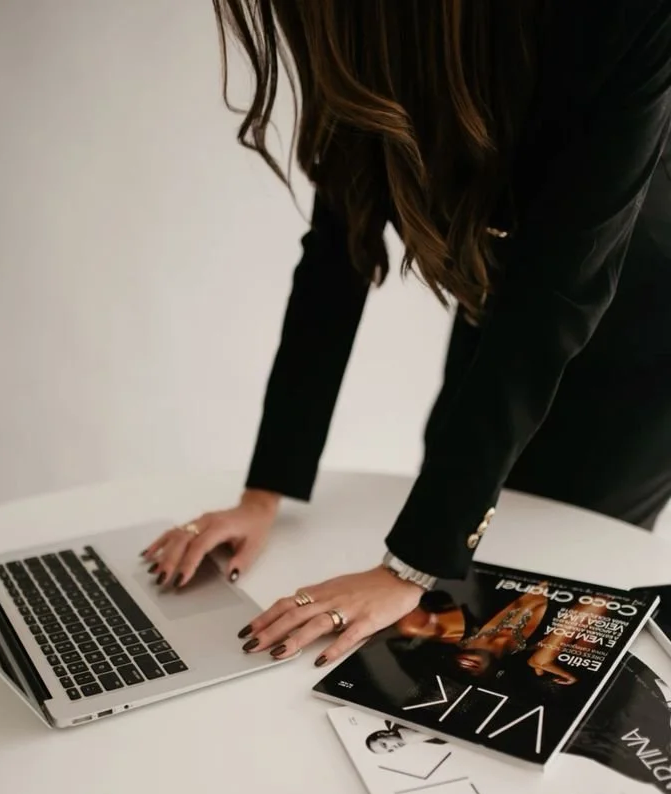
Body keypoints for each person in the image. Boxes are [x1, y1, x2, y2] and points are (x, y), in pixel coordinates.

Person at [144, 0, 671, 670]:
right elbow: (336, 258)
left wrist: (408, 566)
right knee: (454, 533)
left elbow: (556, 297)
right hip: (502, 298)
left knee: (547, 599)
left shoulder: (627, 14)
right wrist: (262, 495)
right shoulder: (364, 31)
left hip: (644, 336)